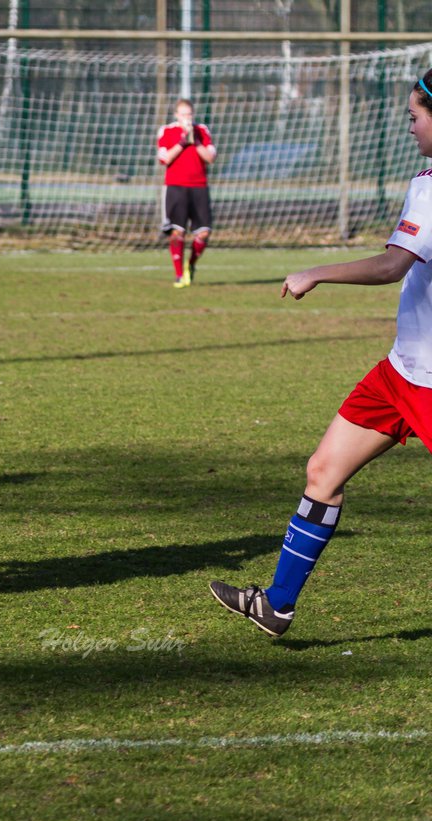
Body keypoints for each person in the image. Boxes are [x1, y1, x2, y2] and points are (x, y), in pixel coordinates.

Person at [210, 71, 432, 638]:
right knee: (323, 471)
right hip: (400, 372)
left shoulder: (430, 189)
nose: (409, 127)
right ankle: (277, 604)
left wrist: (316, 272)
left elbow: (390, 267)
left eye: (415, 117)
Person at [157, 98, 216, 288]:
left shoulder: (202, 130)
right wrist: (182, 142)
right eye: (183, 115)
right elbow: (165, 158)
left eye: (189, 114)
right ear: (176, 115)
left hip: (199, 187)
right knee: (177, 232)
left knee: (204, 233)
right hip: (176, 187)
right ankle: (179, 274)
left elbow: (210, 157)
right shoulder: (167, 131)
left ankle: (190, 265)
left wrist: (195, 141)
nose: (187, 118)